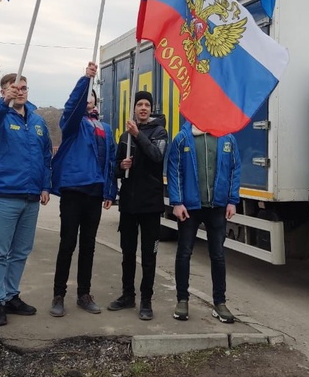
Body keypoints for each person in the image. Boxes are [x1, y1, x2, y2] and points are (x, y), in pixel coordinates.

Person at [0, 74, 52, 327]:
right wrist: (2, 105)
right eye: (14, 89)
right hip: (2, 196)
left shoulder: (38, 121)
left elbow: (45, 157)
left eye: (23, 88)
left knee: (20, 252)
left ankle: (10, 295)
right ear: (4, 91)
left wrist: (45, 185)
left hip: (30, 198)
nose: (20, 92)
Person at [50, 62, 116, 317]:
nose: (89, 101)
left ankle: (84, 294)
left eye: (92, 97)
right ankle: (58, 295)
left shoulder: (105, 128)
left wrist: (109, 191)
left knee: (88, 245)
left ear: (96, 103)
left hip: (95, 193)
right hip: (73, 190)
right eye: (86, 98)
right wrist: (85, 81)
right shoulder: (72, 122)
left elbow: (110, 160)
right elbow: (72, 107)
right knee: (67, 243)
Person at [167, 122, 241, 323]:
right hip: (189, 208)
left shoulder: (227, 137)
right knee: (184, 253)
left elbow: (235, 170)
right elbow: (174, 171)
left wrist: (233, 200)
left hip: (217, 207)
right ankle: (182, 300)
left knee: (217, 255)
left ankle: (220, 303)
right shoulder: (182, 138)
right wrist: (177, 202)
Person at [107, 91, 168, 321]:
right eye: (139, 104)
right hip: (129, 204)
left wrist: (138, 135)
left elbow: (156, 156)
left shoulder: (159, 132)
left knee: (148, 256)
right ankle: (127, 295)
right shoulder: (125, 136)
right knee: (128, 253)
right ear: (134, 108)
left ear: (151, 109)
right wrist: (121, 166)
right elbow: (115, 168)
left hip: (151, 204)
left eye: (147, 105)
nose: (143, 108)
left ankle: (146, 300)